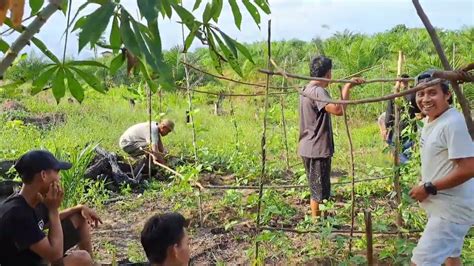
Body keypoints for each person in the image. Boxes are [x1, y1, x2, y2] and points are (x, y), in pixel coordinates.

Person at [409, 70, 474, 265]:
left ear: (447, 94)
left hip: (451, 211)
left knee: (420, 262)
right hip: (443, 207)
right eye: (420, 93)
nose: (425, 99)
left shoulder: (453, 123)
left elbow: (469, 167)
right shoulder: (431, 121)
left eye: (432, 92)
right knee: (451, 257)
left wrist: (428, 187)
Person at [0, 150, 102, 266]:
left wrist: (79, 208)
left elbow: (47, 221)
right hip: (34, 260)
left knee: (78, 217)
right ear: (43, 175)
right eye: (57, 172)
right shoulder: (16, 213)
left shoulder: (34, 198)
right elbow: (55, 256)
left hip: (35, 255)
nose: (59, 178)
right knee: (82, 258)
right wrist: (53, 209)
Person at [298, 55, 364, 218]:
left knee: (317, 187)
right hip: (317, 148)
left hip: (308, 146)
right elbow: (338, 110)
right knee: (318, 191)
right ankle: (317, 224)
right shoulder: (318, 91)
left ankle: (321, 220)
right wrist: (346, 88)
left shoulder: (305, 89)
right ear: (328, 74)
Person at [384, 74, 421, 163]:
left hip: (399, 129)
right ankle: (407, 168)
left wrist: (387, 126)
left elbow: (388, 116)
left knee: (396, 150)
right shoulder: (413, 94)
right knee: (406, 151)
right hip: (410, 129)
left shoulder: (394, 96)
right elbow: (419, 111)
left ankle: (406, 166)